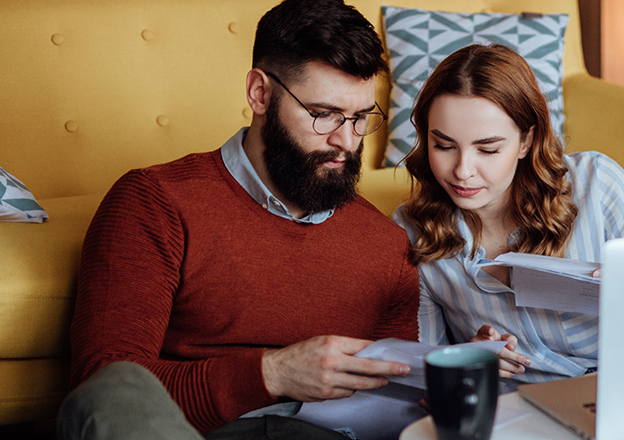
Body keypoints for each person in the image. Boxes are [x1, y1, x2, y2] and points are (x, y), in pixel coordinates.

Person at [58, 1, 518, 439]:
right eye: (323, 115)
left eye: (360, 118)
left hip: (328, 434)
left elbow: (396, 391)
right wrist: (271, 373)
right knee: (112, 392)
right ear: (260, 93)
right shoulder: (155, 202)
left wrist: (450, 374)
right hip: (190, 431)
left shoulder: (386, 242)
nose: (346, 141)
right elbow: (104, 388)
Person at [393, 44, 624, 387]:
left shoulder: (598, 184)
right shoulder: (413, 231)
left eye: (487, 149)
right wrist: (465, 362)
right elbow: (427, 377)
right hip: (514, 413)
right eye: (443, 145)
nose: (462, 171)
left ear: (526, 141)